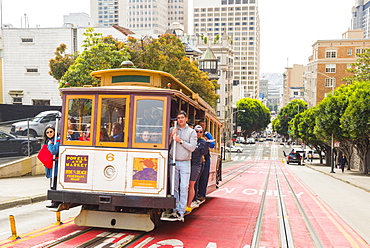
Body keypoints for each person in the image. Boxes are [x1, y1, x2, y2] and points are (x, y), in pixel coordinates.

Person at [168, 110, 197, 222]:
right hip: (173, 161)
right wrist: (171, 136)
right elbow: (166, 144)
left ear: (186, 119)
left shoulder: (191, 132)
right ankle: (175, 209)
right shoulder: (172, 129)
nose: (180, 119)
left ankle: (181, 211)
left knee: (184, 186)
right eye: (178, 118)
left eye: (182, 117)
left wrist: (180, 141)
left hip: (185, 162)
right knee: (174, 187)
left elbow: (192, 147)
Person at [186, 125, 209, 214]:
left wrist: (207, 144)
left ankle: (193, 199)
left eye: (200, 132)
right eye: (196, 131)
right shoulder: (190, 139)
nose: (198, 133)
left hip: (196, 164)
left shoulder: (202, 142)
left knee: (193, 183)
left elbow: (203, 152)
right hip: (187, 162)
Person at [195, 119, 215, 203]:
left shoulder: (207, 134)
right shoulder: (194, 135)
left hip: (205, 158)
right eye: (201, 125)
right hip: (197, 158)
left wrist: (206, 141)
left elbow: (212, 145)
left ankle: (202, 195)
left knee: (204, 177)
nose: (202, 127)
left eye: (203, 125)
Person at [43, 126, 61, 208]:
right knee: (52, 183)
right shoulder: (48, 141)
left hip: (56, 165)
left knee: (55, 183)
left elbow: (54, 151)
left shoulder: (57, 140)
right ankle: (54, 201)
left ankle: (55, 202)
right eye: (47, 132)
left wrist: (50, 145)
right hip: (50, 164)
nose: (49, 134)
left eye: (51, 131)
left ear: (54, 132)